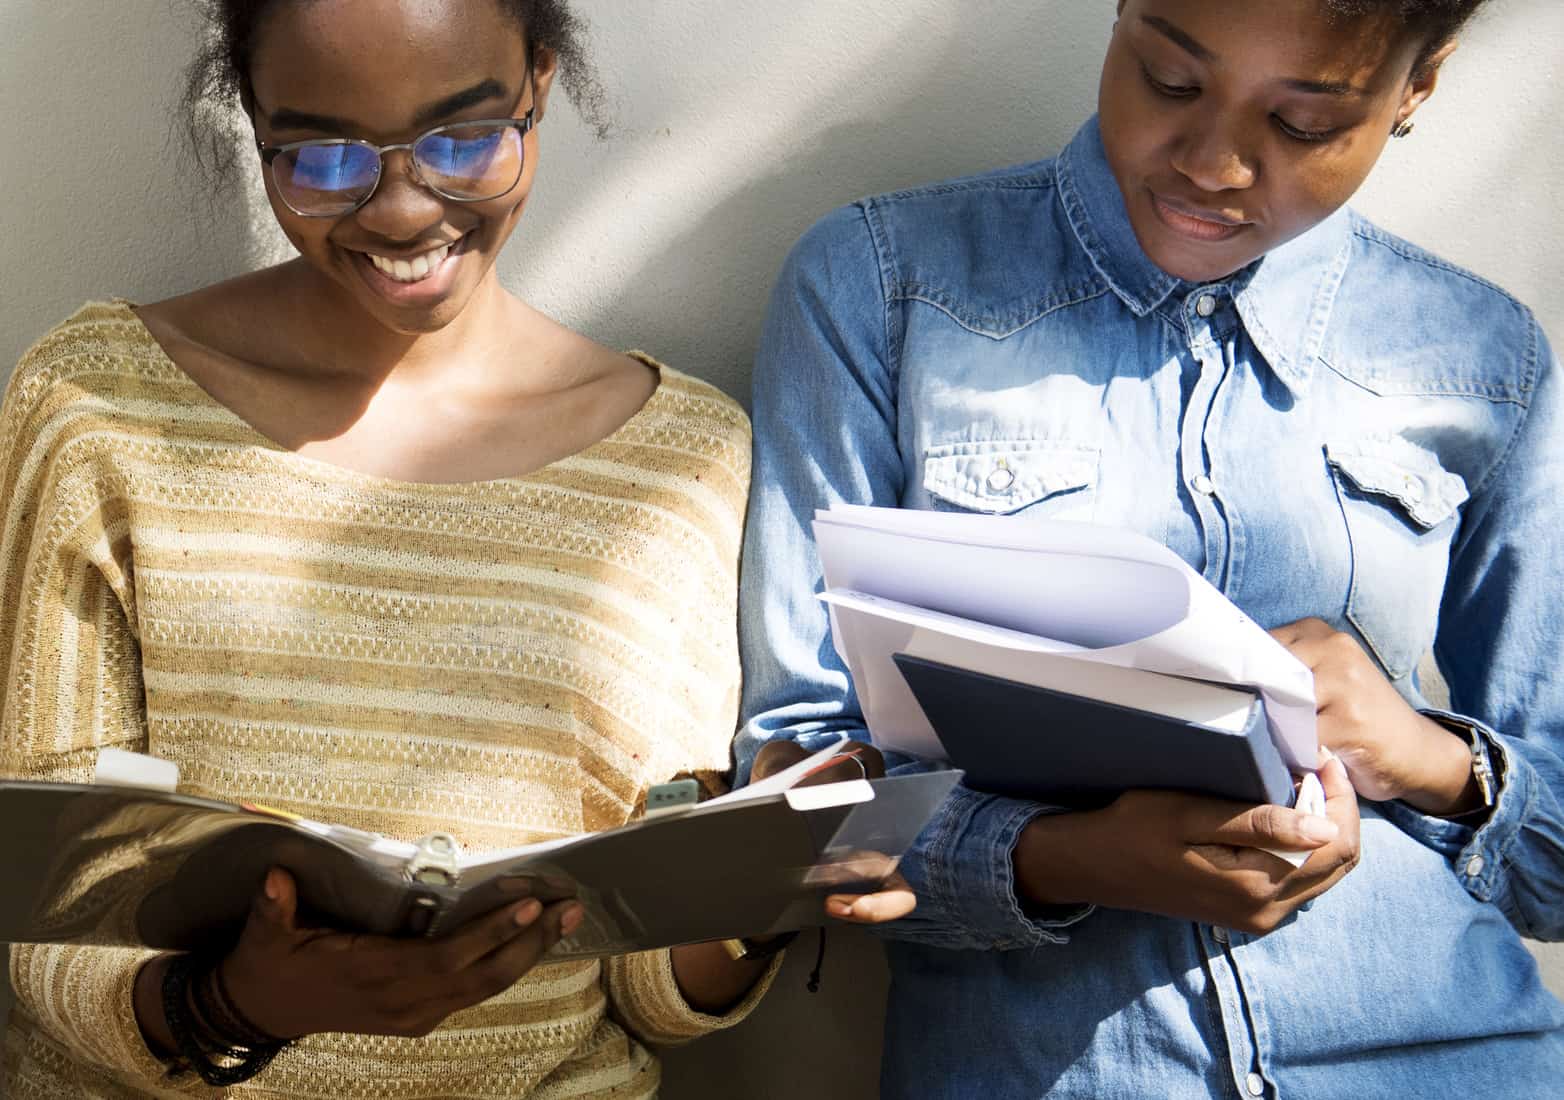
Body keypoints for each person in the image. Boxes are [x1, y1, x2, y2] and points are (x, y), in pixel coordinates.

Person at [739, 0, 1564, 1095]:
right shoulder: (883, 285)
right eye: (1170, 82)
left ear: (1416, 88)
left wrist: (1433, 760)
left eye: (1304, 123)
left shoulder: (1483, 354)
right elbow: (791, 798)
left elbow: (1553, 865)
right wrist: (1063, 858)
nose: (1215, 164)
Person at [0, 1, 782, 1096]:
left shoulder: (682, 454)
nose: (405, 210)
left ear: (539, 85)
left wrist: (770, 889)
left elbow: (648, 976)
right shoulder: (98, 405)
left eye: (465, 139)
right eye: (322, 156)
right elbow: (39, 901)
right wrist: (231, 1006)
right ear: (254, 125)